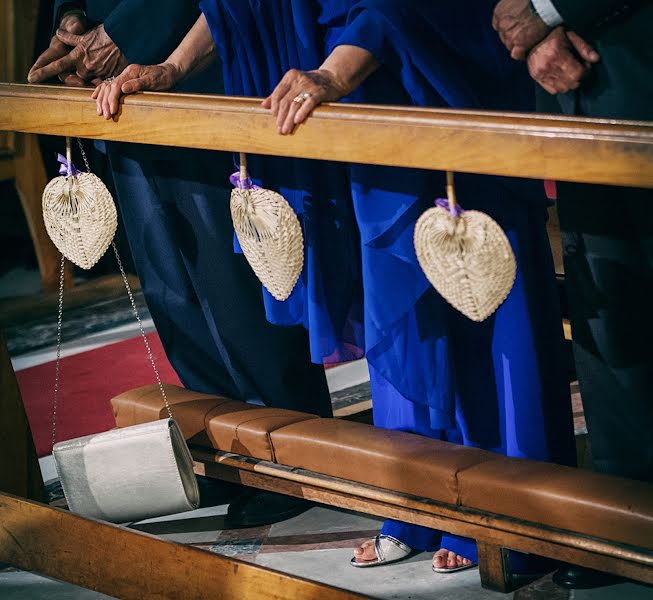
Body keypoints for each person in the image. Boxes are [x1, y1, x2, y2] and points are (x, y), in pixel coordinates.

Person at [94, 0, 576, 576]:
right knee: (397, 299)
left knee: (468, 280)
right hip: (352, 79)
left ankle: (506, 510)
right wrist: (172, 67)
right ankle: (418, 502)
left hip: (429, 66)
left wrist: (335, 70)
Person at [28, 0, 336, 528]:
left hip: (195, 57)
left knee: (230, 272)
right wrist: (73, 18)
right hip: (116, 81)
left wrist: (130, 31)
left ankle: (293, 451)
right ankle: (223, 449)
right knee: (171, 280)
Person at [493, 0, 653, 589]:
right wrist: (545, 27)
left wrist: (548, 11)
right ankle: (626, 524)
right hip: (587, 86)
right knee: (607, 319)